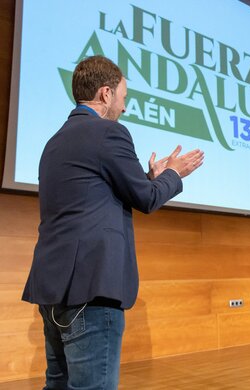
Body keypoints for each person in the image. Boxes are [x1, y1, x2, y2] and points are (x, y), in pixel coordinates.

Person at [22, 55, 204, 390]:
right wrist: (174, 174)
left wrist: (149, 177)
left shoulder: (54, 141)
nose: (124, 108)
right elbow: (146, 199)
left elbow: (94, 194)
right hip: (90, 288)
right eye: (123, 98)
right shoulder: (109, 133)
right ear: (105, 94)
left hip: (52, 289)